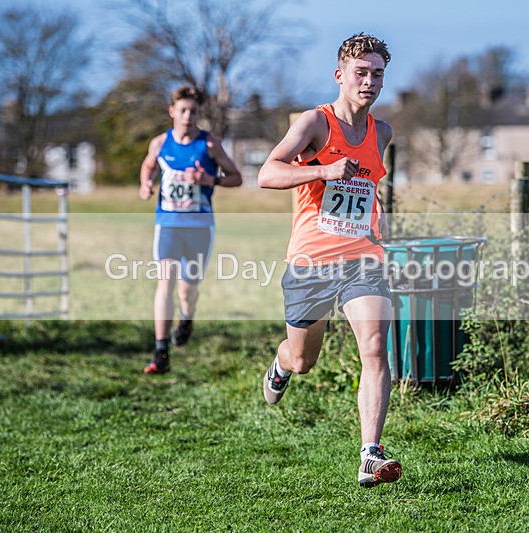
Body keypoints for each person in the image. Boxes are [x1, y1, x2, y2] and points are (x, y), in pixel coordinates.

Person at [256, 33, 400, 488]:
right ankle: (281, 366)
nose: (369, 82)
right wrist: (322, 169)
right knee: (303, 360)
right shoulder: (314, 123)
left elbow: (369, 190)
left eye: (377, 74)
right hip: (311, 261)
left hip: (362, 258)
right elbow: (267, 173)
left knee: (375, 345)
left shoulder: (383, 132)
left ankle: (370, 455)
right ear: (340, 75)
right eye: (361, 73)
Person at [139, 85, 242, 374]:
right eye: (182, 110)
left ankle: (187, 317)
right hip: (168, 224)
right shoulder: (160, 143)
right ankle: (161, 352)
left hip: (199, 227)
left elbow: (236, 177)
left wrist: (210, 179)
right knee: (165, 284)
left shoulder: (209, 145)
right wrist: (145, 184)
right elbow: (148, 167)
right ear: (172, 111)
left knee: (188, 289)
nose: (188, 116)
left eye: (193, 111)